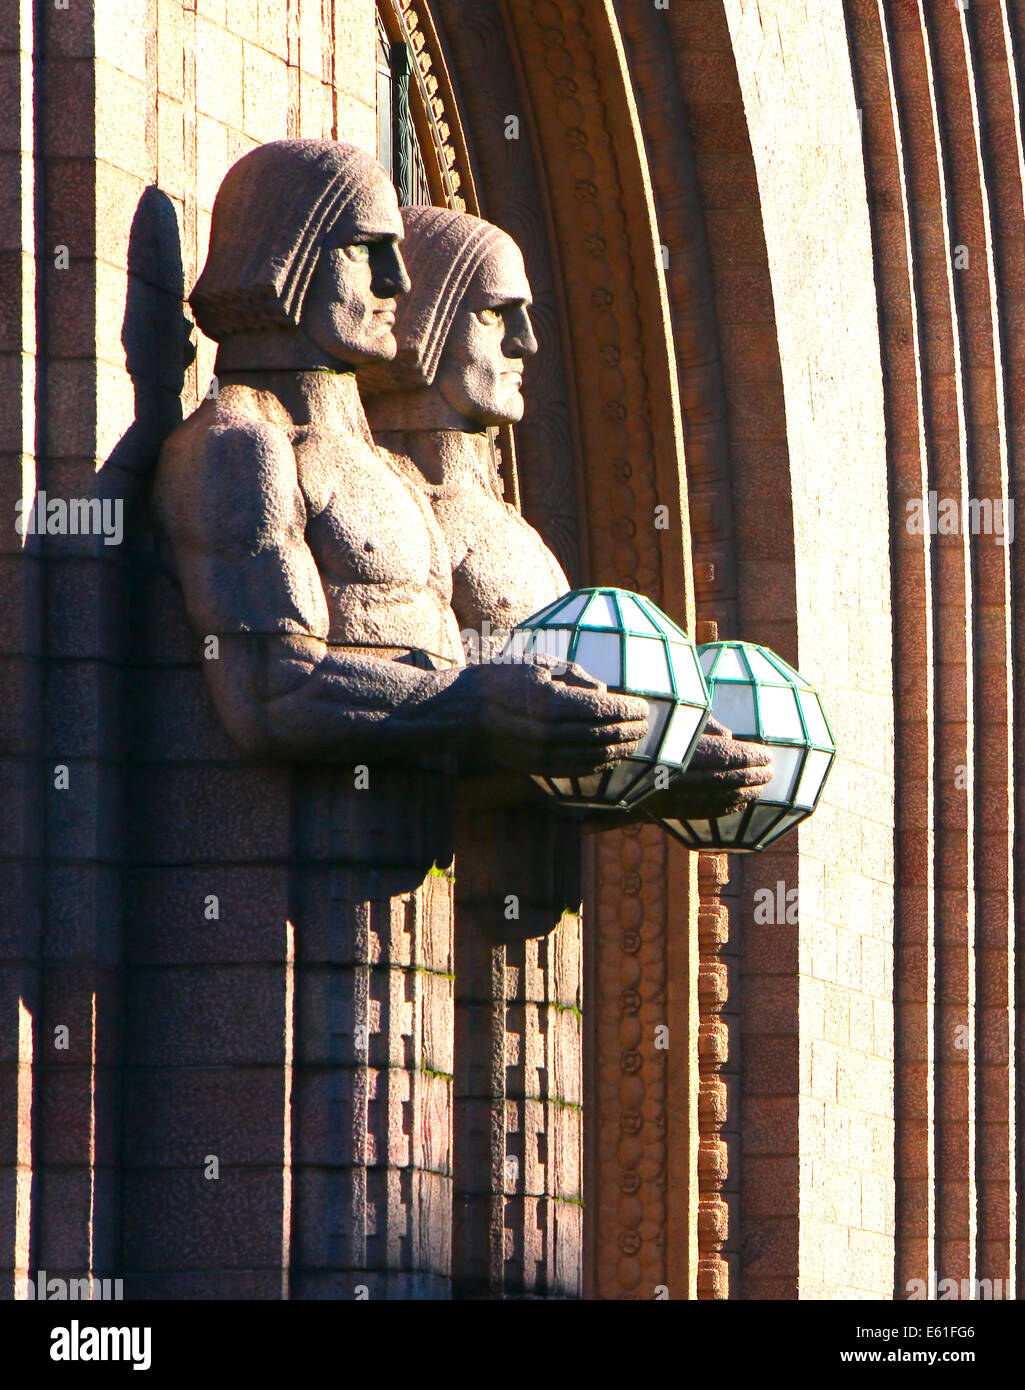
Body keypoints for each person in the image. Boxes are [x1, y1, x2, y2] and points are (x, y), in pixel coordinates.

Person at [152, 140, 648, 782]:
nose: (398, 280)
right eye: (365, 248)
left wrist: (651, 745)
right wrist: (481, 702)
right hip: (296, 865)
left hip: (410, 866)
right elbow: (272, 694)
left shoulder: (398, 477)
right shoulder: (241, 446)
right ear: (286, 252)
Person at [362, 205, 772, 820]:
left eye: (524, 317)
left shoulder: (516, 532)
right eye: (496, 313)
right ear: (431, 317)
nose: (525, 342)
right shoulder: (391, 504)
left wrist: (659, 753)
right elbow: (387, 711)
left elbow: (539, 742)